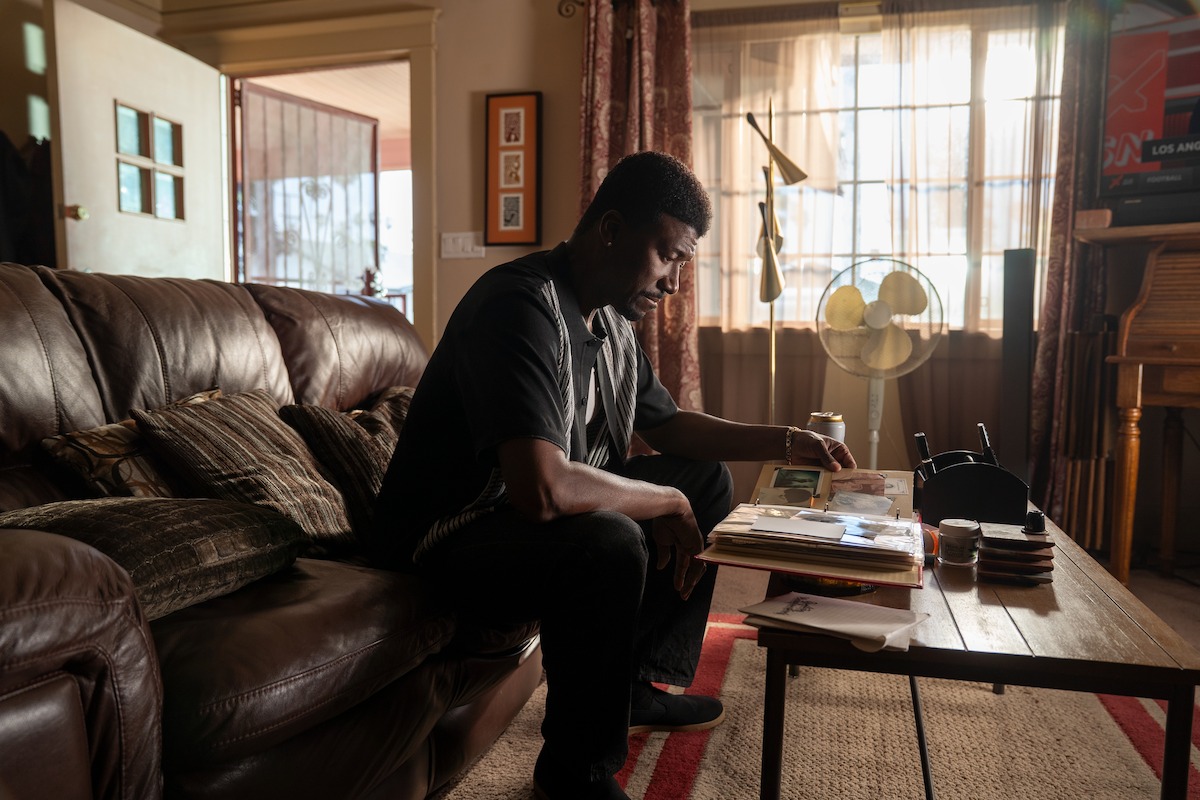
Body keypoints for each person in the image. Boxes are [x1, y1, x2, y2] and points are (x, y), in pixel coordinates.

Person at [371, 151, 856, 800]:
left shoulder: (611, 320)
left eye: (682, 263)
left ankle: (634, 684)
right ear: (610, 230)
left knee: (706, 480)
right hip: (449, 537)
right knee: (611, 538)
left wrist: (787, 440)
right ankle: (574, 770)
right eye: (669, 256)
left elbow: (671, 427)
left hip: (515, 522)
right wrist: (664, 500)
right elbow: (541, 489)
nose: (673, 283)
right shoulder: (520, 307)